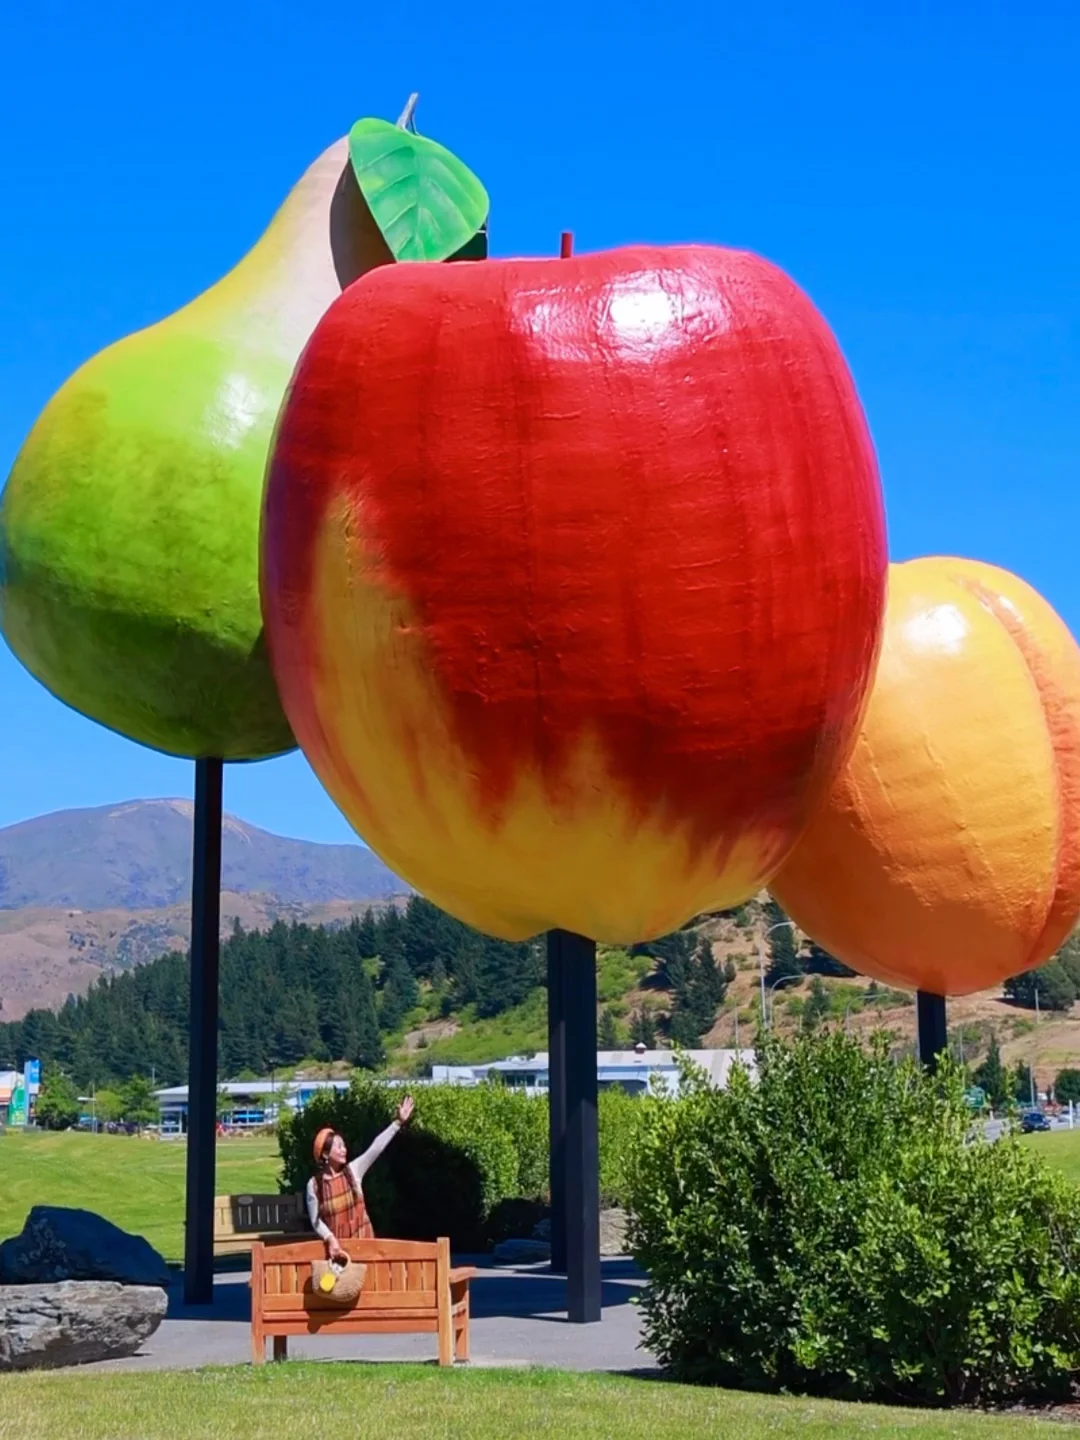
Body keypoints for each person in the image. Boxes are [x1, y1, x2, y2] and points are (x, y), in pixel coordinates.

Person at [306, 1096, 414, 1262]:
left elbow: (375, 1148)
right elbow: (316, 1221)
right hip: (338, 1254)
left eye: (344, 1145)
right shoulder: (314, 1185)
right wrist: (330, 1238)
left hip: (366, 1247)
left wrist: (397, 1123)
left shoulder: (353, 1172)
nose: (344, 1150)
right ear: (326, 1154)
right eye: (339, 1146)